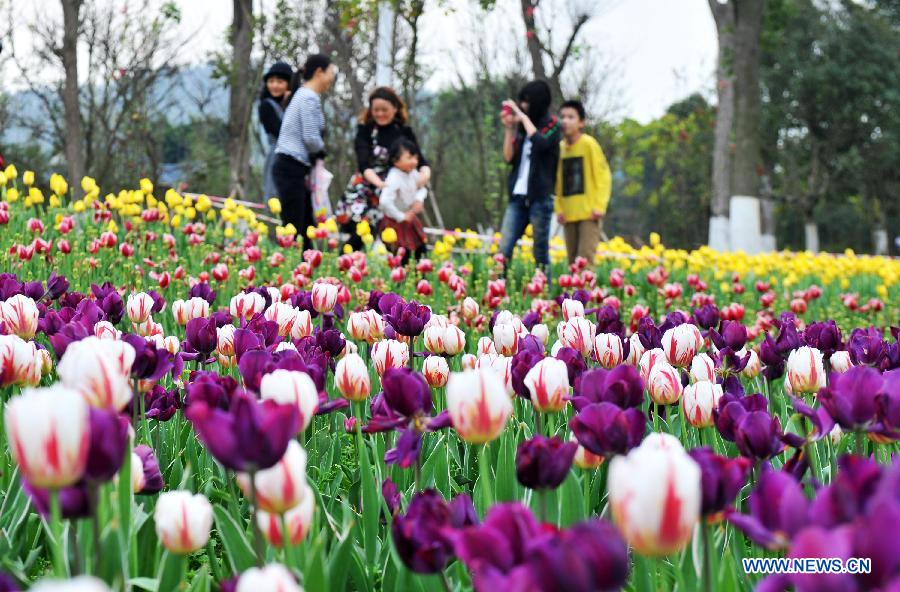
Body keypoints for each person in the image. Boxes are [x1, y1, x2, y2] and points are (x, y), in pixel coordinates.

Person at [335, 87, 431, 251]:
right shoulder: (365, 131)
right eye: (376, 110)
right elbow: (363, 164)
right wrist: (380, 184)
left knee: (395, 235)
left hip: (394, 187)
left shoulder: (404, 133)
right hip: (367, 187)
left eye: (384, 110)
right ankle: (344, 264)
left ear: (395, 108)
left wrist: (423, 177)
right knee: (362, 231)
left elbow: (421, 161)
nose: (380, 114)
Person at [272, 54, 334, 249]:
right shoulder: (308, 97)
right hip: (291, 166)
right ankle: (294, 270)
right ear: (319, 73)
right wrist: (322, 150)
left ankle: (304, 268)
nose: (332, 78)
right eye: (331, 73)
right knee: (295, 228)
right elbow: (310, 136)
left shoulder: (303, 95)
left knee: (305, 225)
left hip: (294, 167)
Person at [498, 80, 560, 273]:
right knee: (503, 249)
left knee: (540, 253)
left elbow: (540, 143)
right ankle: (496, 292)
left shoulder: (552, 125)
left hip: (540, 198)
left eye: (526, 102)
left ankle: (545, 296)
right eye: (521, 102)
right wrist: (509, 128)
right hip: (517, 197)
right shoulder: (523, 129)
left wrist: (522, 117)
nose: (523, 106)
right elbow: (508, 157)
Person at [555, 99, 612, 265]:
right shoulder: (560, 149)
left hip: (589, 214)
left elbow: (604, 176)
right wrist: (559, 208)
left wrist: (600, 206)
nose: (565, 121)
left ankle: (586, 292)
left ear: (581, 122)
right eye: (563, 116)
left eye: (571, 117)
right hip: (568, 214)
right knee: (572, 263)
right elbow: (558, 182)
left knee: (585, 262)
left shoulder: (589, 144)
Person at [379, 138, 429, 263]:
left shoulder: (413, 173)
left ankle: (420, 280)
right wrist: (401, 216)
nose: (414, 161)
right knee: (401, 257)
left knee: (420, 252)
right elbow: (384, 201)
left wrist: (418, 200)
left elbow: (422, 189)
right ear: (396, 160)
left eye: (416, 158)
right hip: (395, 223)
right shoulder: (394, 177)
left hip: (410, 221)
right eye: (410, 158)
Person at [258, 61, 293, 202]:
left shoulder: (293, 103)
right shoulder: (266, 106)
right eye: (271, 81)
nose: (275, 86)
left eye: (280, 81)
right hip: (278, 156)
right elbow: (282, 132)